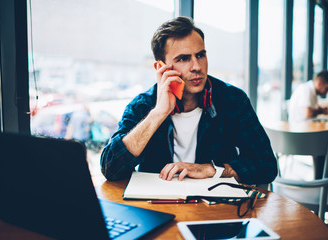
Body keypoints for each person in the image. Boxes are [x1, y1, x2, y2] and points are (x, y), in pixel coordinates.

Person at [100, 17, 277, 185]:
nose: (197, 67)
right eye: (183, 59)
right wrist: (158, 113)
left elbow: (266, 164)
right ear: (161, 67)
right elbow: (111, 169)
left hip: (215, 208)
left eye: (200, 55)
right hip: (157, 207)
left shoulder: (232, 100)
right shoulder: (143, 105)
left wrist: (214, 170)